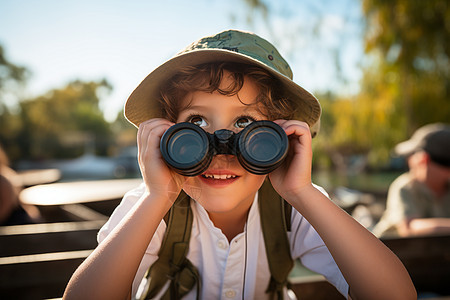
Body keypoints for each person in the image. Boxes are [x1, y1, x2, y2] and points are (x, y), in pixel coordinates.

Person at [63, 29, 415, 300]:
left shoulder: (294, 206)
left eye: (246, 124)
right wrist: (158, 196)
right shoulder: (151, 204)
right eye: (197, 123)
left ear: (281, 139)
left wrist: (302, 191)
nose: (221, 146)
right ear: (168, 136)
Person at [373, 123, 450, 237]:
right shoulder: (406, 187)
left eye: (412, 155)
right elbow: (408, 228)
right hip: (388, 252)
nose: (409, 160)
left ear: (423, 159)